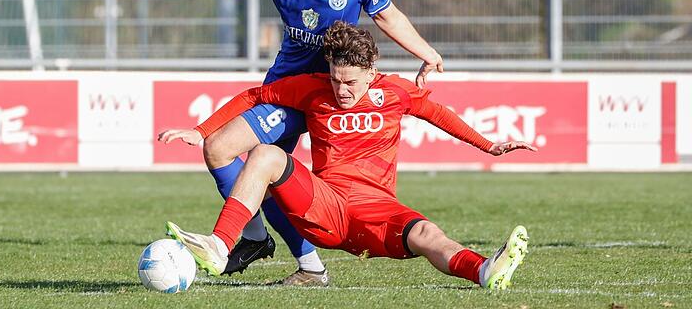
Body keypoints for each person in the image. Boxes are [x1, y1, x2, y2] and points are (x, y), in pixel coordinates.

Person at [87, 0, 444, 285]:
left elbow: (387, 16)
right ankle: (278, 250)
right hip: (287, 89)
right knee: (225, 152)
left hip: (332, 94)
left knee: (251, 161)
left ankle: (271, 247)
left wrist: (427, 53)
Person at [158, 21, 536, 289]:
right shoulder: (313, 89)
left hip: (377, 211)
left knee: (426, 233)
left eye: (350, 82)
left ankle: (484, 270)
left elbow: (439, 114)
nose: (341, 90)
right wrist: (202, 131)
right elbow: (255, 95)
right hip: (327, 207)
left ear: (372, 71)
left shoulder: (396, 92)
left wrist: (489, 145)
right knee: (267, 155)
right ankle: (220, 246)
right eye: (336, 79)